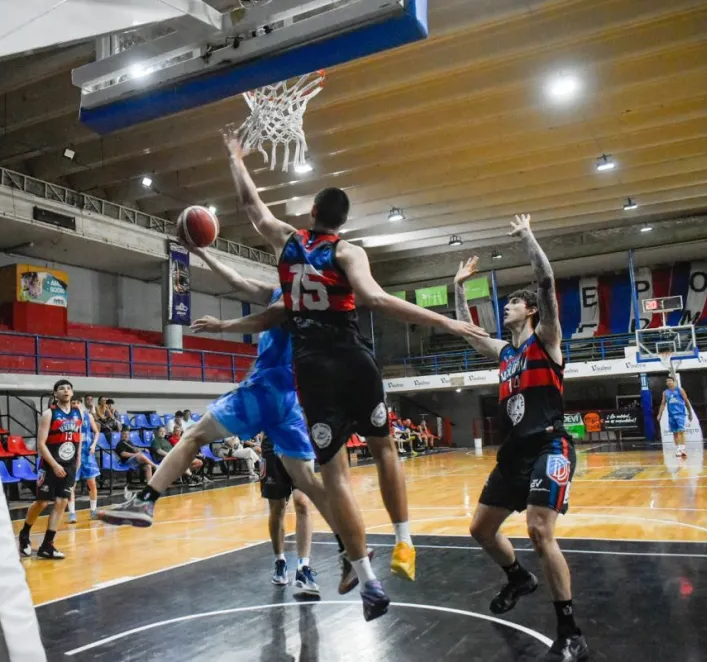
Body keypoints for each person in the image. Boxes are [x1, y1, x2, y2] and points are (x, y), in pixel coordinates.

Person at [213, 125, 489, 620]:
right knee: (384, 448)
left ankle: (367, 580)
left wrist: (235, 156)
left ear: (313, 213)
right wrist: (449, 320)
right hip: (353, 357)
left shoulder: (288, 242)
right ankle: (404, 541)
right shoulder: (347, 251)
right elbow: (377, 299)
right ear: (342, 221)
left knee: (333, 473)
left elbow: (254, 209)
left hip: (313, 369)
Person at [100, 245, 369, 603]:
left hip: (266, 389)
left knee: (194, 435)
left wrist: (222, 325)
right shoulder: (289, 291)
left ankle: (146, 501)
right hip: (287, 402)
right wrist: (202, 252)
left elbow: (261, 320)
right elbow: (238, 280)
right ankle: (350, 552)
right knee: (306, 480)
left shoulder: (295, 299)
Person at [453, 214, 588, 661]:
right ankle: (518, 578)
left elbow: (546, 282)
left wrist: (527, 236)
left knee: (537, 529)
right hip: (513, 454)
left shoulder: (546, 340)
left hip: (549, 445)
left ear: (528, 311)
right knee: (480, 529)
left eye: (511, 303)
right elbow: (470, 333)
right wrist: (458, 289)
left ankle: (569, 630)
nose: (505, 308)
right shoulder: (505, 353)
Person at [18, 379, 82, 560]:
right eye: (62, 388)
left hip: (69, 465)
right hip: (50, 465)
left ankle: (47, 545)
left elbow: (80, 437)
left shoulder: (78, 413)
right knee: (43, 502)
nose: (66, 391)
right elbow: (40, 444)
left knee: (62, 503)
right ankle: (24, 534)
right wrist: (55, 465)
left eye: (69, 388)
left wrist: (77, 461)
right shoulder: (49, 414)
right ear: (55, 394)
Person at [262, 435, 318, 598]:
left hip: (300, 442)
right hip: (273, 445)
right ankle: (280, 561)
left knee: (302, 503)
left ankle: (303, 567)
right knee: (277, 507)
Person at [67, 396, 101, 522]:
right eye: (73, 402)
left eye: (77, 402)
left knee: (91, 482)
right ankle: (71, 513)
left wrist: (93, 445)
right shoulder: (67, 418)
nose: (75, 404)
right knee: (71, 485)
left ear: (81, 404)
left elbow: (97, 432)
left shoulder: (88, 416)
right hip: (73, 453)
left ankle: (93, 510)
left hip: (87, 453)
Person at [658, 375, 693, 458]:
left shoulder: (680, 390)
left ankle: (682, 449)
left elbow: (686, 401)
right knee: (675, 433)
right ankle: (678, 449)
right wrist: (660, 414)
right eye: (667, 381)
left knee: (681, 431)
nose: (669, 382)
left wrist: (690, 413)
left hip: (680, 414)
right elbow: (663, 403)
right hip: (671, 415)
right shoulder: (665, 392)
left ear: (674, 382)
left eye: (670, 381)